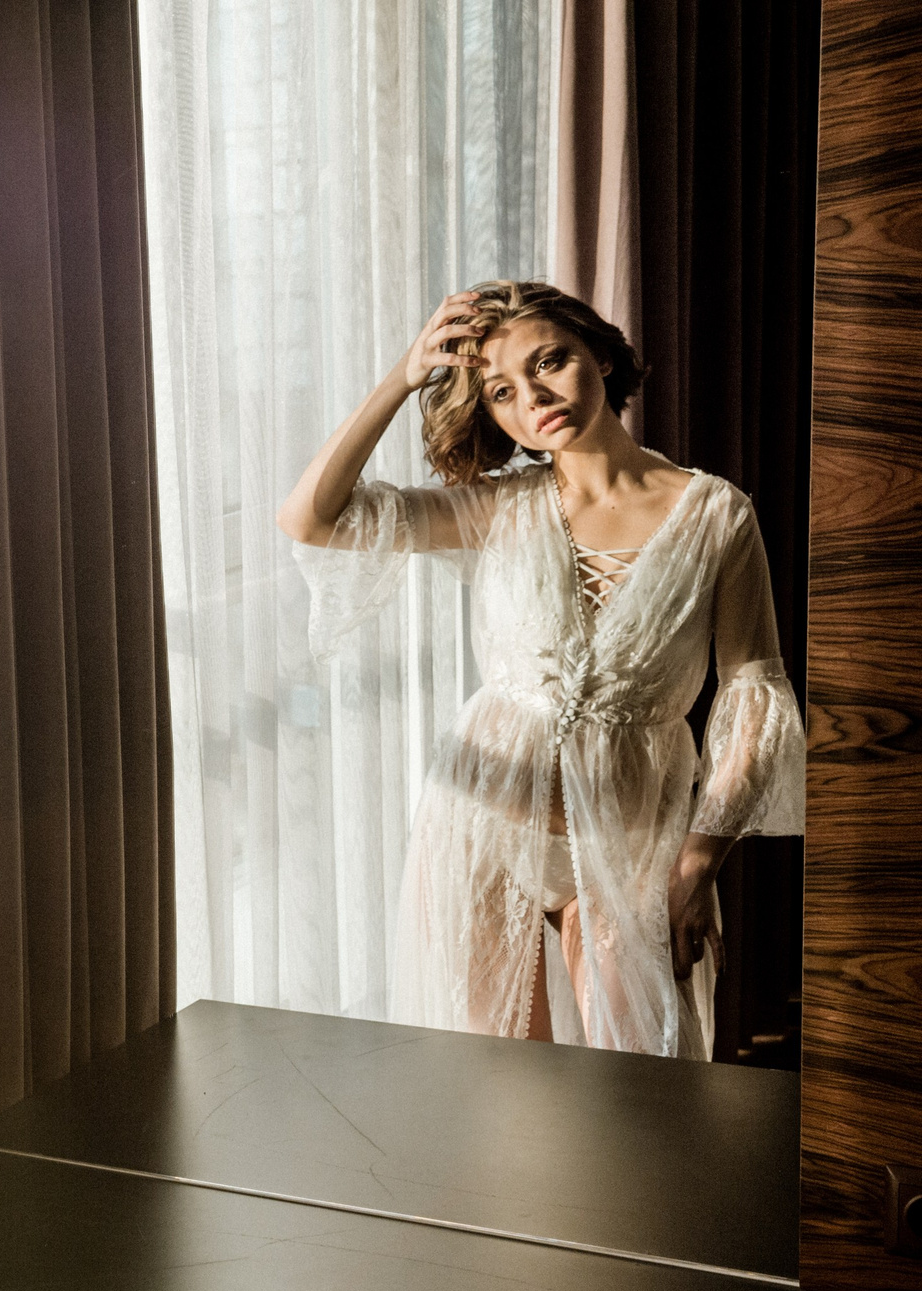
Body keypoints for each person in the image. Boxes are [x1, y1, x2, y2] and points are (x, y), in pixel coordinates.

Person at [276, 280, 803, 1058]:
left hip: (631, 842)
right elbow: (313, 520)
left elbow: (753, 699)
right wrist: (401, 377)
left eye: (550, 361)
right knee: (503, 1095)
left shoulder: (717, 515)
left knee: (644, 1087)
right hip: (483, 829)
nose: (534, 397)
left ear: (601, 351)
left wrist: (698, 864)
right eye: (501, 391)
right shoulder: (498, 507)